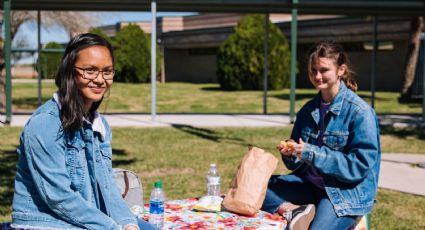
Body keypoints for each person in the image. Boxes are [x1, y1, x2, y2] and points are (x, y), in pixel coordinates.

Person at [11, 33, 156, 230]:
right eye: (90, 70)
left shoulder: (99, 124)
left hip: (86, 218)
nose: (100, 79)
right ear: (70, 72)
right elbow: (58, 197)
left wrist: (127, 223)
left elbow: (108, 186)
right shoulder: (45, 123)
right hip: (45, 222)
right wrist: (112, 227)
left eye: (107, 71)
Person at [261, 40, 381, 230]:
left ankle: (322, 217)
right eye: (313, 70)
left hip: (343, 194)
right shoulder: (308, 110)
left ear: (340, 70)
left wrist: (310, 153)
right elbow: (297, 163)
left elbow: (359, 166)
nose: (317, 76)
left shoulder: (360, 112)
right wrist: (290, 153)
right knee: (255, 186)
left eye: (324, 70)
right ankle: (293, 211)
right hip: (309, 185)